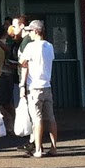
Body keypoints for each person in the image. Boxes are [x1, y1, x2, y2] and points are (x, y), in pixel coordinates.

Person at [18, 20, 58, 157]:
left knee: (37, 119)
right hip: (47, 86)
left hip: (34, 87)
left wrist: (22, 85)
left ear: (35, 31)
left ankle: (38, 149)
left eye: (30, 31)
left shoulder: (30, 46)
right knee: (51, 118)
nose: (29, 33)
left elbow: (22, 62)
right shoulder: (49, 46)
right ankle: (53, 148)